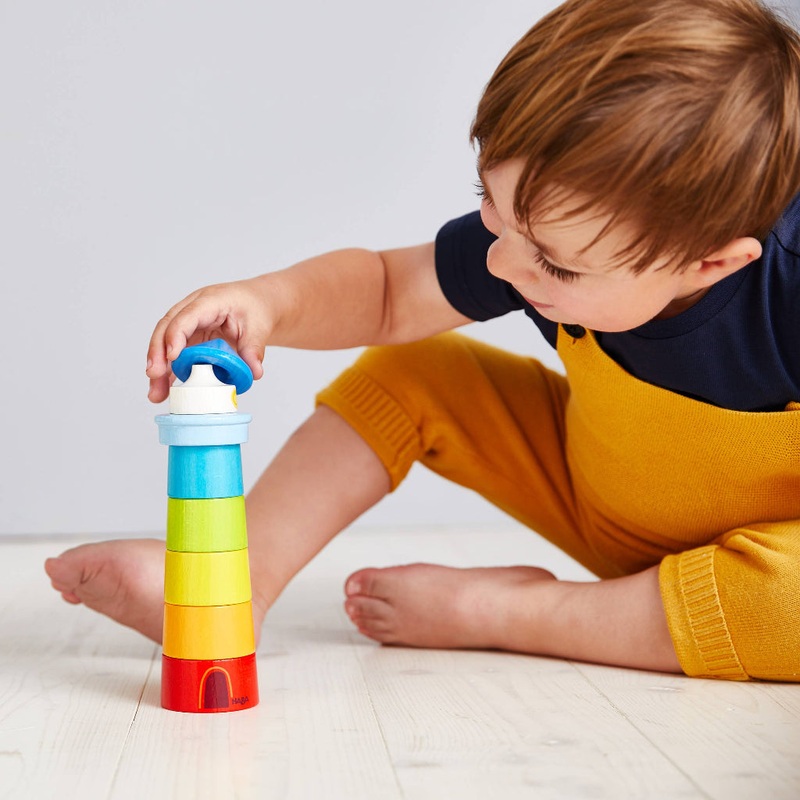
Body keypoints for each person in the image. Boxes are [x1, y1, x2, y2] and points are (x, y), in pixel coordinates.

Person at [46, 0, 800, 680]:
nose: (503, 264)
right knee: (412, 366)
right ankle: (234, 588)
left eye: (558, 265)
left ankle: (520, 613)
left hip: (757, 564)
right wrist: (267, 302)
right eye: (492, 208)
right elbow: (386, 293)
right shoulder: (544, 234)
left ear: (712, 262)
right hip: (594, 490)